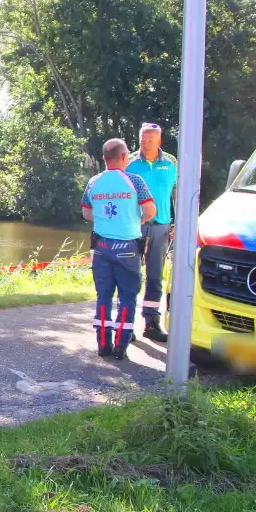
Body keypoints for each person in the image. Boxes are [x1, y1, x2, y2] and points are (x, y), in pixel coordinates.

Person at [82, 138, 157, 360]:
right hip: (128, 248)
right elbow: (151, 211)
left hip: (102, 247)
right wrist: (136, 221)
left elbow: (87, 213)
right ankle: (120, 347)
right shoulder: (135, 180)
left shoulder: (93, 182)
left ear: (104, 159)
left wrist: (105, 221)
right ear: (124, 157)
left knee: (103, 296)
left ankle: (103, 344)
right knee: (127, 297)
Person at [126, 122, 177, 343]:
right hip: (134, 226)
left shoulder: (171, 163)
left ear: (159, 141)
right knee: (130, 275)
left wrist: (177, 222)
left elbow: (177, 193)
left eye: (150, 139)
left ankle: (152, 322)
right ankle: (126, 325)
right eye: (142, 139)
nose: (145, 144)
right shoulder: (129, 163)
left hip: (161, 226)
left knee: (155, 276)